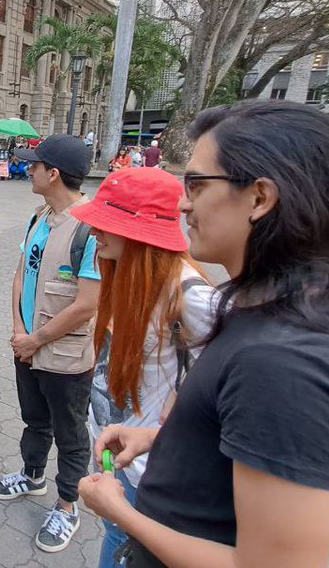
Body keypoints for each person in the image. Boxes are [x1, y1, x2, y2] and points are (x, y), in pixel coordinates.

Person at [80, 101, 329, 567]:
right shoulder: (268, 315)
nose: (183, 204)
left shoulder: (286, 363)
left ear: (260, 198)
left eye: (197, 184)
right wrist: (160, 438)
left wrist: (122, 513)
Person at [68, 167, 219, 568]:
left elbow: (226, 388)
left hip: (148, 466)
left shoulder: (192, 297)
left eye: (106, 224)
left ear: (139, 232)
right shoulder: (123, 270)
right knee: (116, 534)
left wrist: (173, 412)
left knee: (125, 542)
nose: (95, 232)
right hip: (112, 444)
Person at [0, 134, 101, 553]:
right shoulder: (39, 216)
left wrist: (34, 340)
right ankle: (32, 475)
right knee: (34, 419)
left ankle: (67, 506)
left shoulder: (92, 227)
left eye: (34, 165)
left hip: (66, 356)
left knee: (70, 433)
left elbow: (87, 304)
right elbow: (21, 273)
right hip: (27, 347)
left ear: (53, 174)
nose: (27, 169)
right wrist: (20, 331)